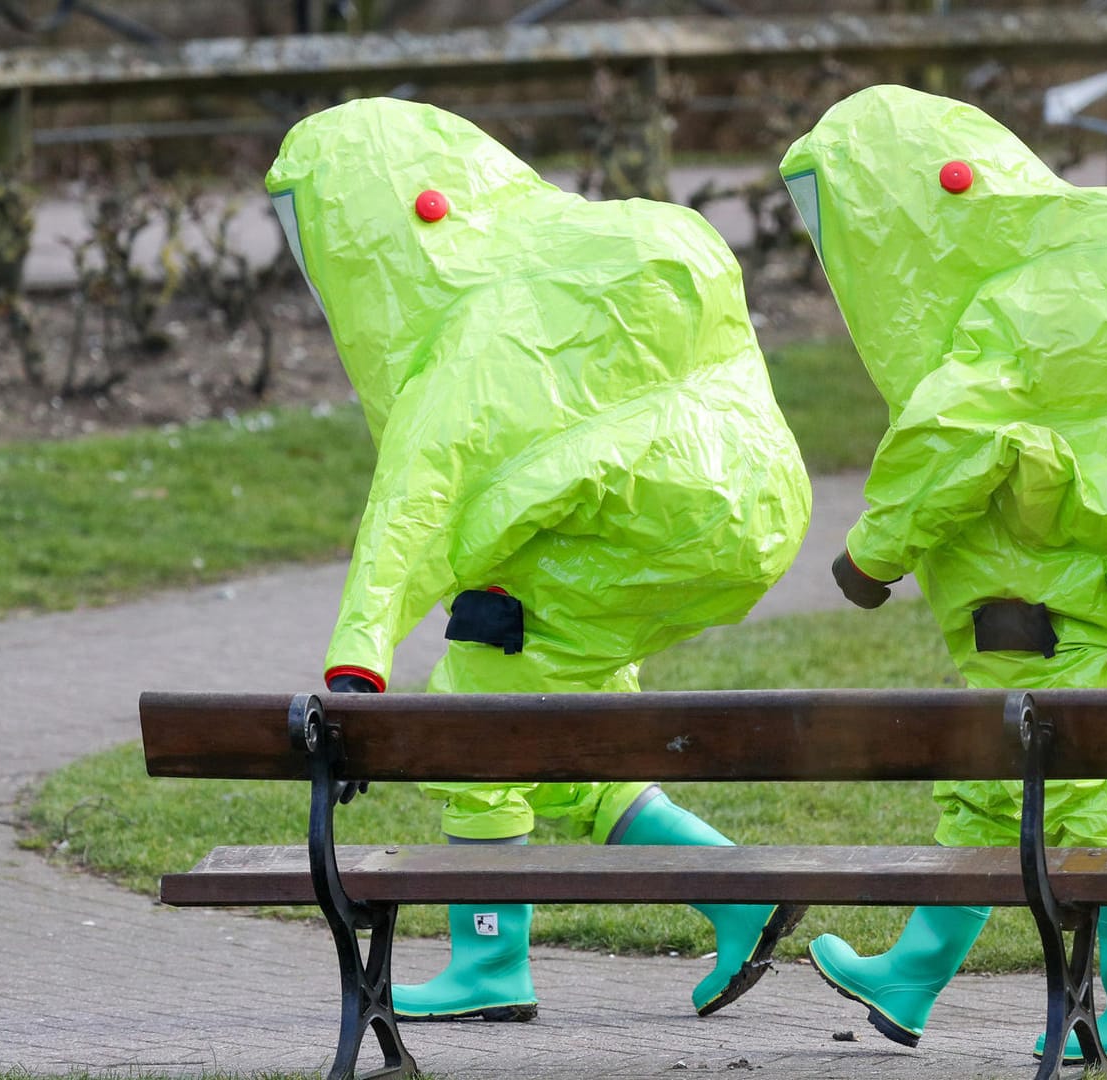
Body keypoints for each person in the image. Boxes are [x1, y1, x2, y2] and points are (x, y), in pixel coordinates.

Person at [777, 86, 1107, 1063]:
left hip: (1034, 607)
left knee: (1073, 788)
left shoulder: (1013, 305)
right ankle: (912, 974)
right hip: (1063, 583)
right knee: (992, 788)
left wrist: (872, 556)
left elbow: (953, 437)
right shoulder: (1062, 277)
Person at [266, 97, 814, 1024]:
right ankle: (738, 891)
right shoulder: (586, 248)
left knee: (474, 715)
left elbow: (411, 506)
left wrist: (357, 667)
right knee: (566, 738)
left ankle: (488, 966)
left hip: (615, 527)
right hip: (735, 509)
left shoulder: (482, 329)